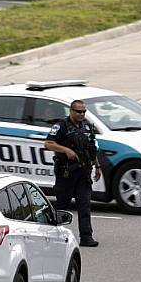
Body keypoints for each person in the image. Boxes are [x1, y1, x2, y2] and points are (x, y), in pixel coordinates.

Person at [44, 100, 102, 248]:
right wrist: (66, 150)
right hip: (66, 173)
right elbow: (48, 143)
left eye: (84, 112)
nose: (81, 114)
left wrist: (97, 165)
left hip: (83, 173)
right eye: (78, 111)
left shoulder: (87, 127)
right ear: (71, 111)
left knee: (85, 205)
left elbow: (91, 149)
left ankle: (86, 237)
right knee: (62, 206)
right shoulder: (61, 126)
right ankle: (53, 235)